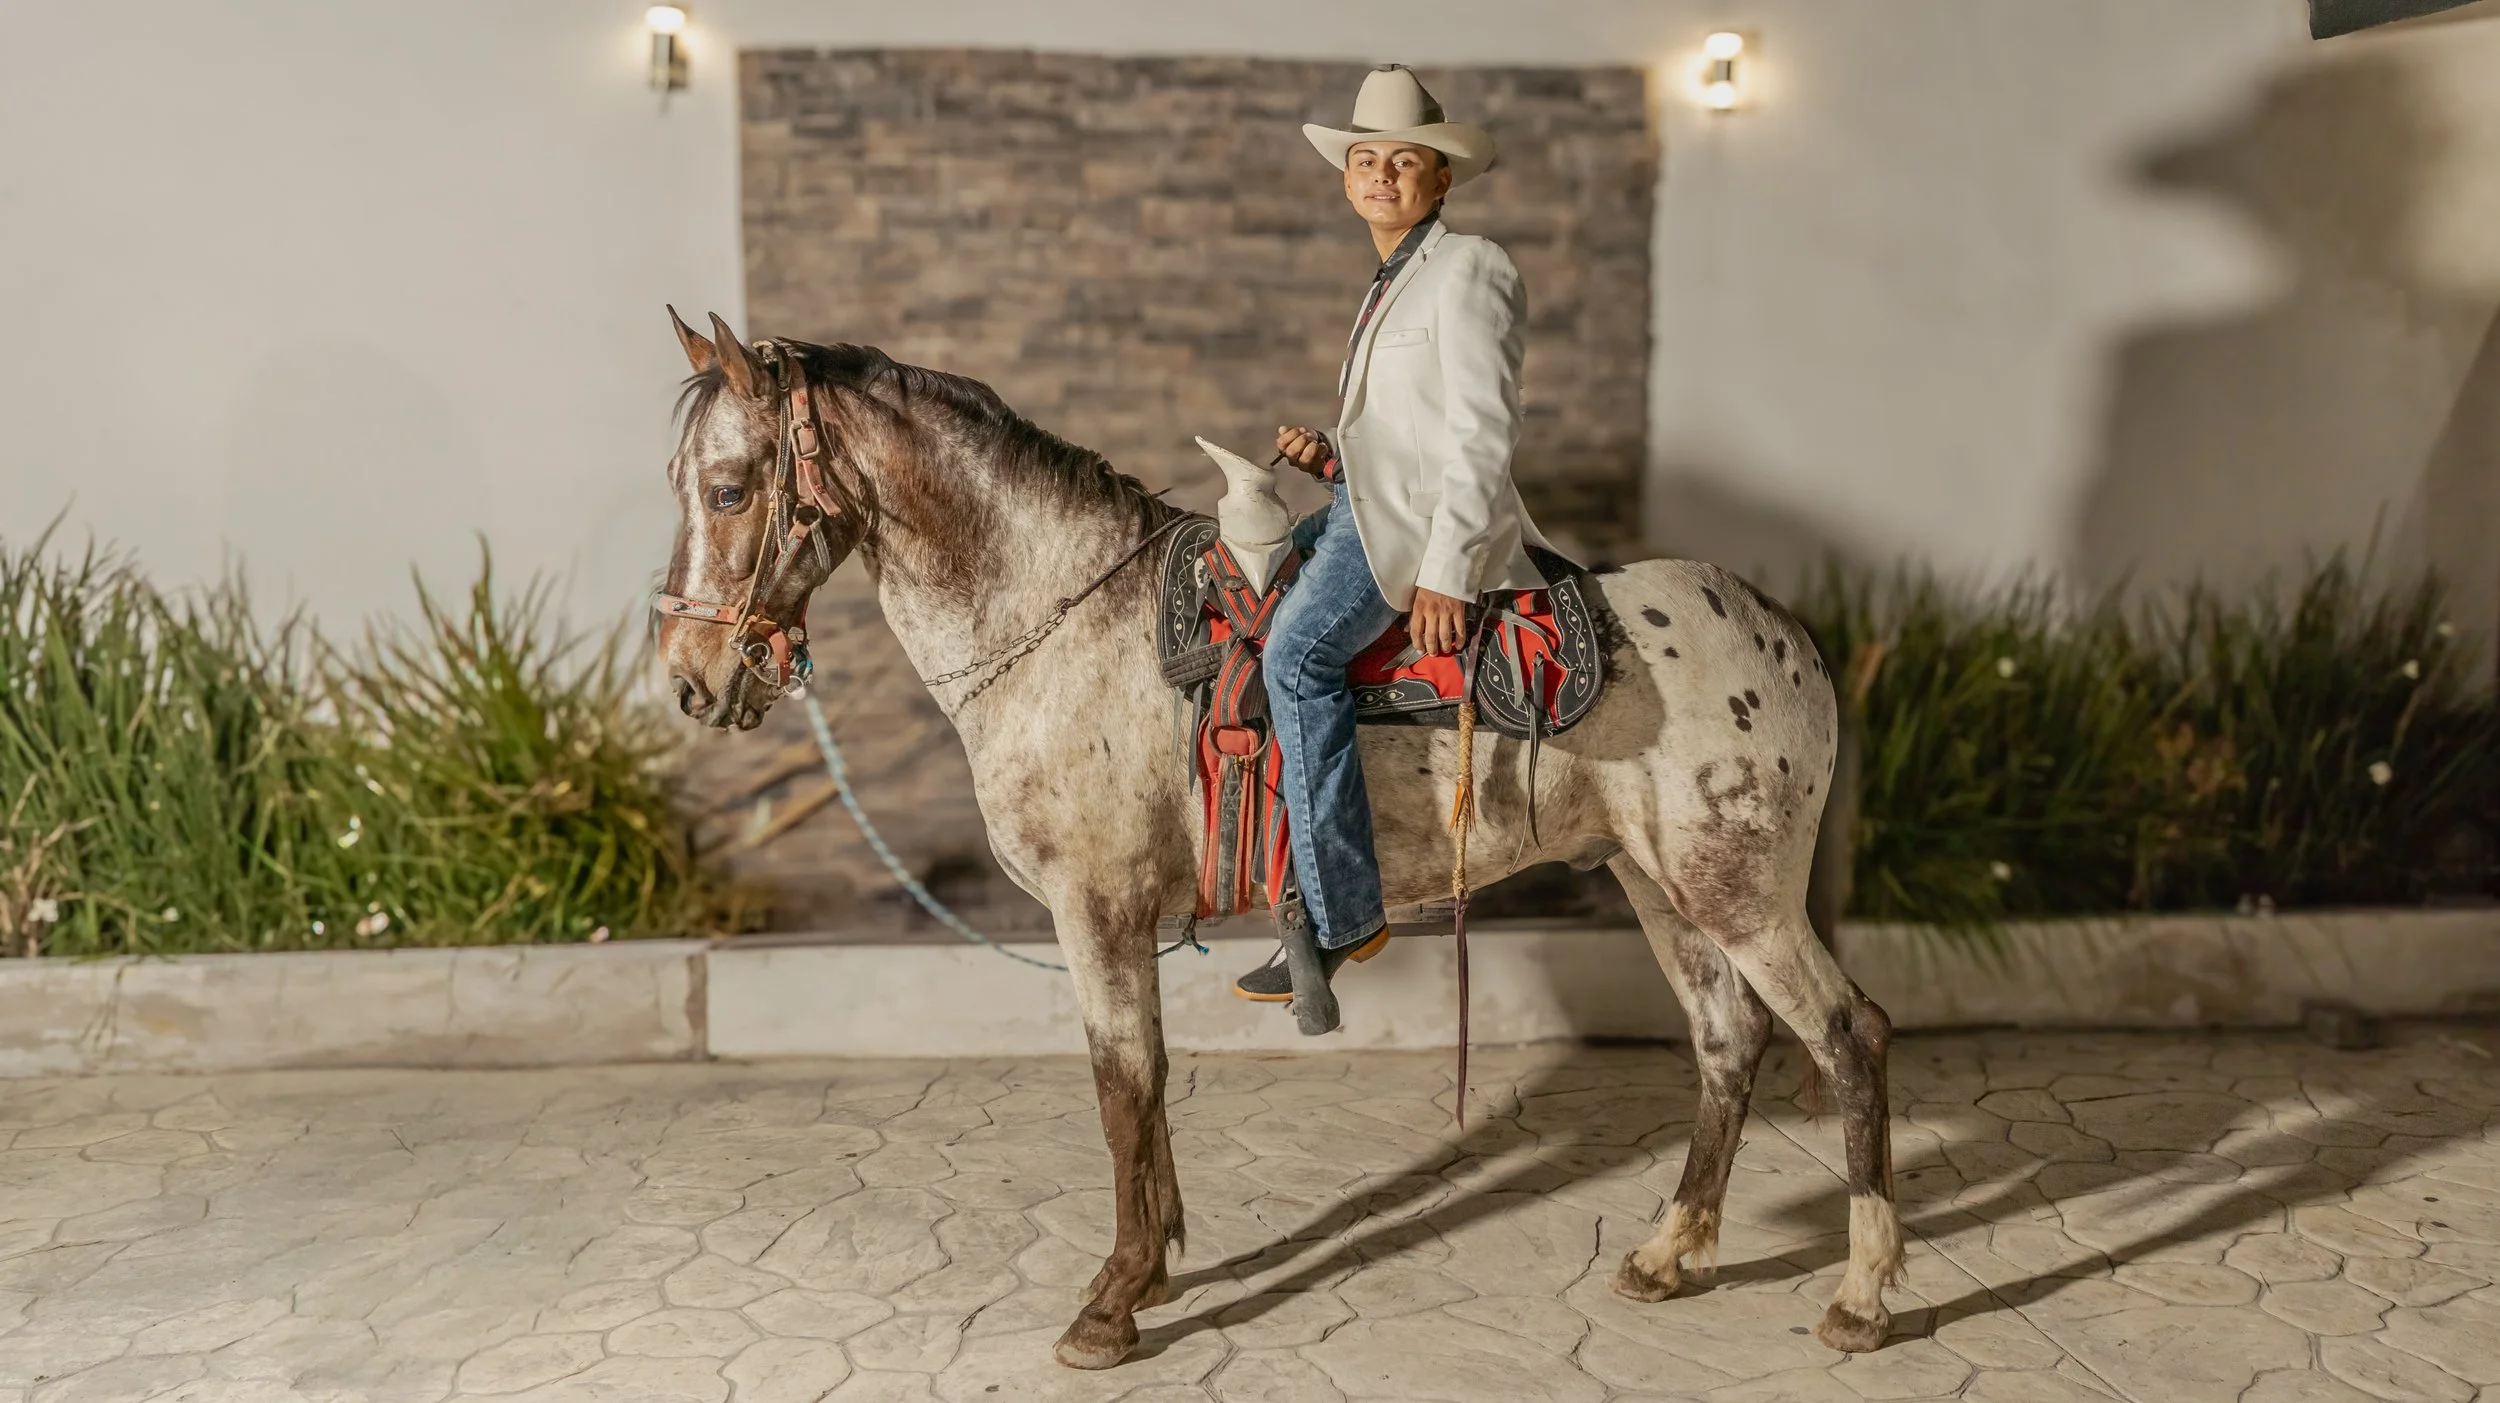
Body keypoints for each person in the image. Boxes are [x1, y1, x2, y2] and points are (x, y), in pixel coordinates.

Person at [1233, 65, 1559, 1003]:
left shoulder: (1470, 267)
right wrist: (1334, 459)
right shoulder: (1390, 282)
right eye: (1366, 160)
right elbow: (1406, 443)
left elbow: (1481, 432)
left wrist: (1449, 573)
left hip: (1416, 541)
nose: (1382, 175)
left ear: (1440, 177)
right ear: (1347, 180)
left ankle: (1341, 918)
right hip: (1370, 511)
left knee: (1295, 660)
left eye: (1403, 161)